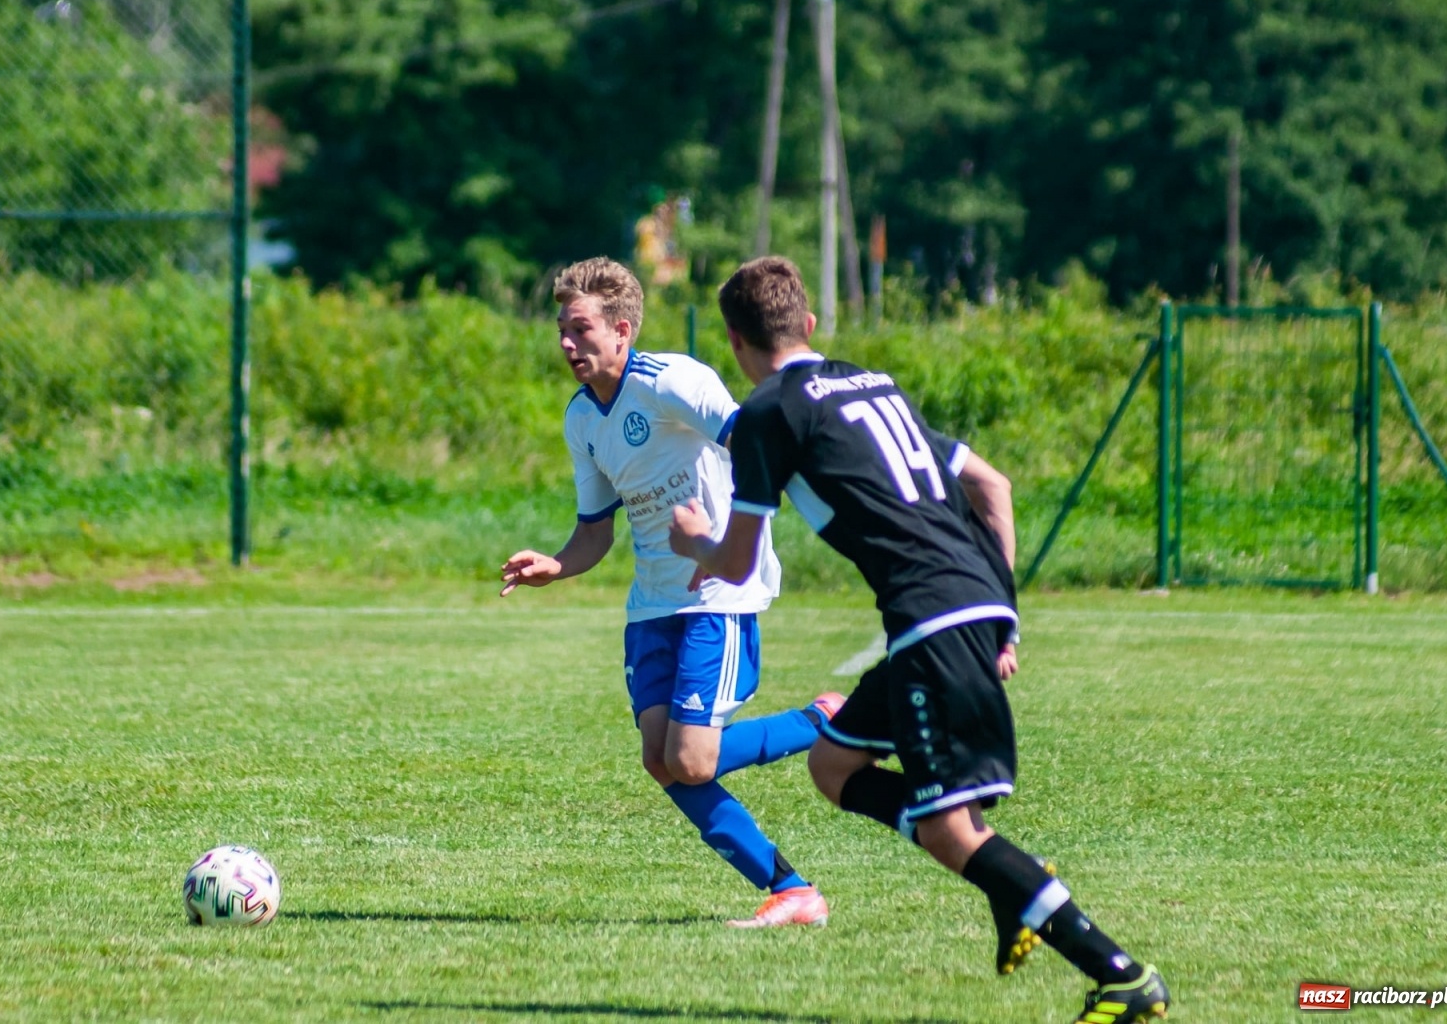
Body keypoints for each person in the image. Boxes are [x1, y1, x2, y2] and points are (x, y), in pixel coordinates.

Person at [668, 256, 1171, 1022]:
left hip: (931, 621)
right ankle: (1012, 886)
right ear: (808, 324)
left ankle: (1120, 973)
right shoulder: (875, 385)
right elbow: (991, 486)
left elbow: (735, 563)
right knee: (835, 764)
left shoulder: (770, 413)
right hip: (957, 611)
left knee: (947, 829)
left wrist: (696, 541)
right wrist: (1002, 612)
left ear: (736, 342)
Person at [500, 256, 842, 928]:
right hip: (653, 603)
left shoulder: (672, 381)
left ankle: (821, 722)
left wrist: (722, 540)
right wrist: (556, 565)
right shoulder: (582, 419)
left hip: (716, 590)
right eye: (562, 331)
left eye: (581, 330)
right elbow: (596, 531)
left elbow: (758, 440)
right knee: (662, 761)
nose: (567, 344)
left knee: (691, 758)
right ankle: (792, 890)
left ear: (622, 329)